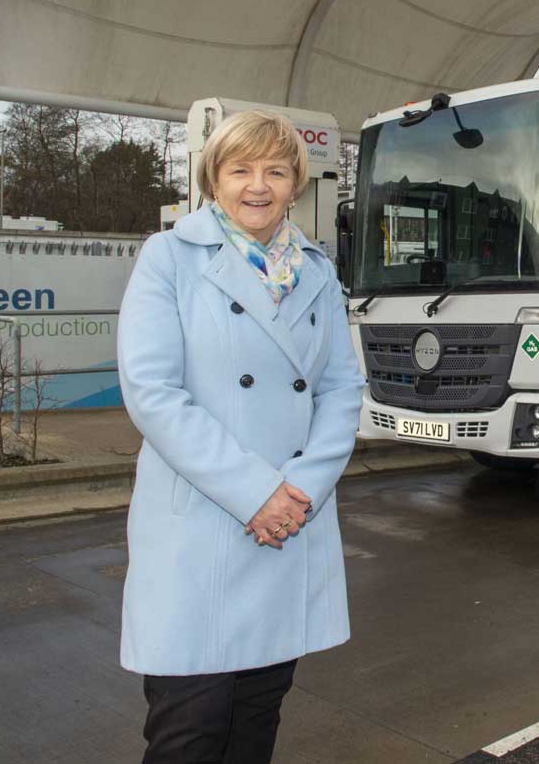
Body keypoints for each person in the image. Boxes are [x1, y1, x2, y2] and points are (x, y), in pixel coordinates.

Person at [116, 109, 365, 763]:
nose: (259, 186)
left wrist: (300, 493)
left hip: (286, 526)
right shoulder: (170, 258)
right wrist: (258, 494)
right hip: (203, 528)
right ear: (213, 179)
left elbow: (341, 392)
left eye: (276, 171)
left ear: (295, 184)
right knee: (189, 733)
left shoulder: (316, 270)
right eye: (241, 170)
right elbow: (153, 393)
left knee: (254, 726)